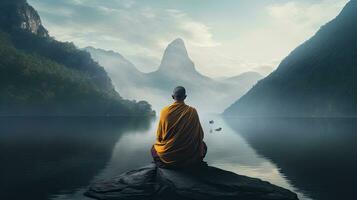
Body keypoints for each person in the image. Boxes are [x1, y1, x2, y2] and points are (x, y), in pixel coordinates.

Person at [151, 86, 207, 168]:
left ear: (173, 97)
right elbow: (200, 135)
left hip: (168, 155)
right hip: (188, 155)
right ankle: (190, 163)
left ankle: (167, 164)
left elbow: (159, 136)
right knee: (203, 146)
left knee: (153, 148)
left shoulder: (165, 111)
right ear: (185, 97)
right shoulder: (192, 111)